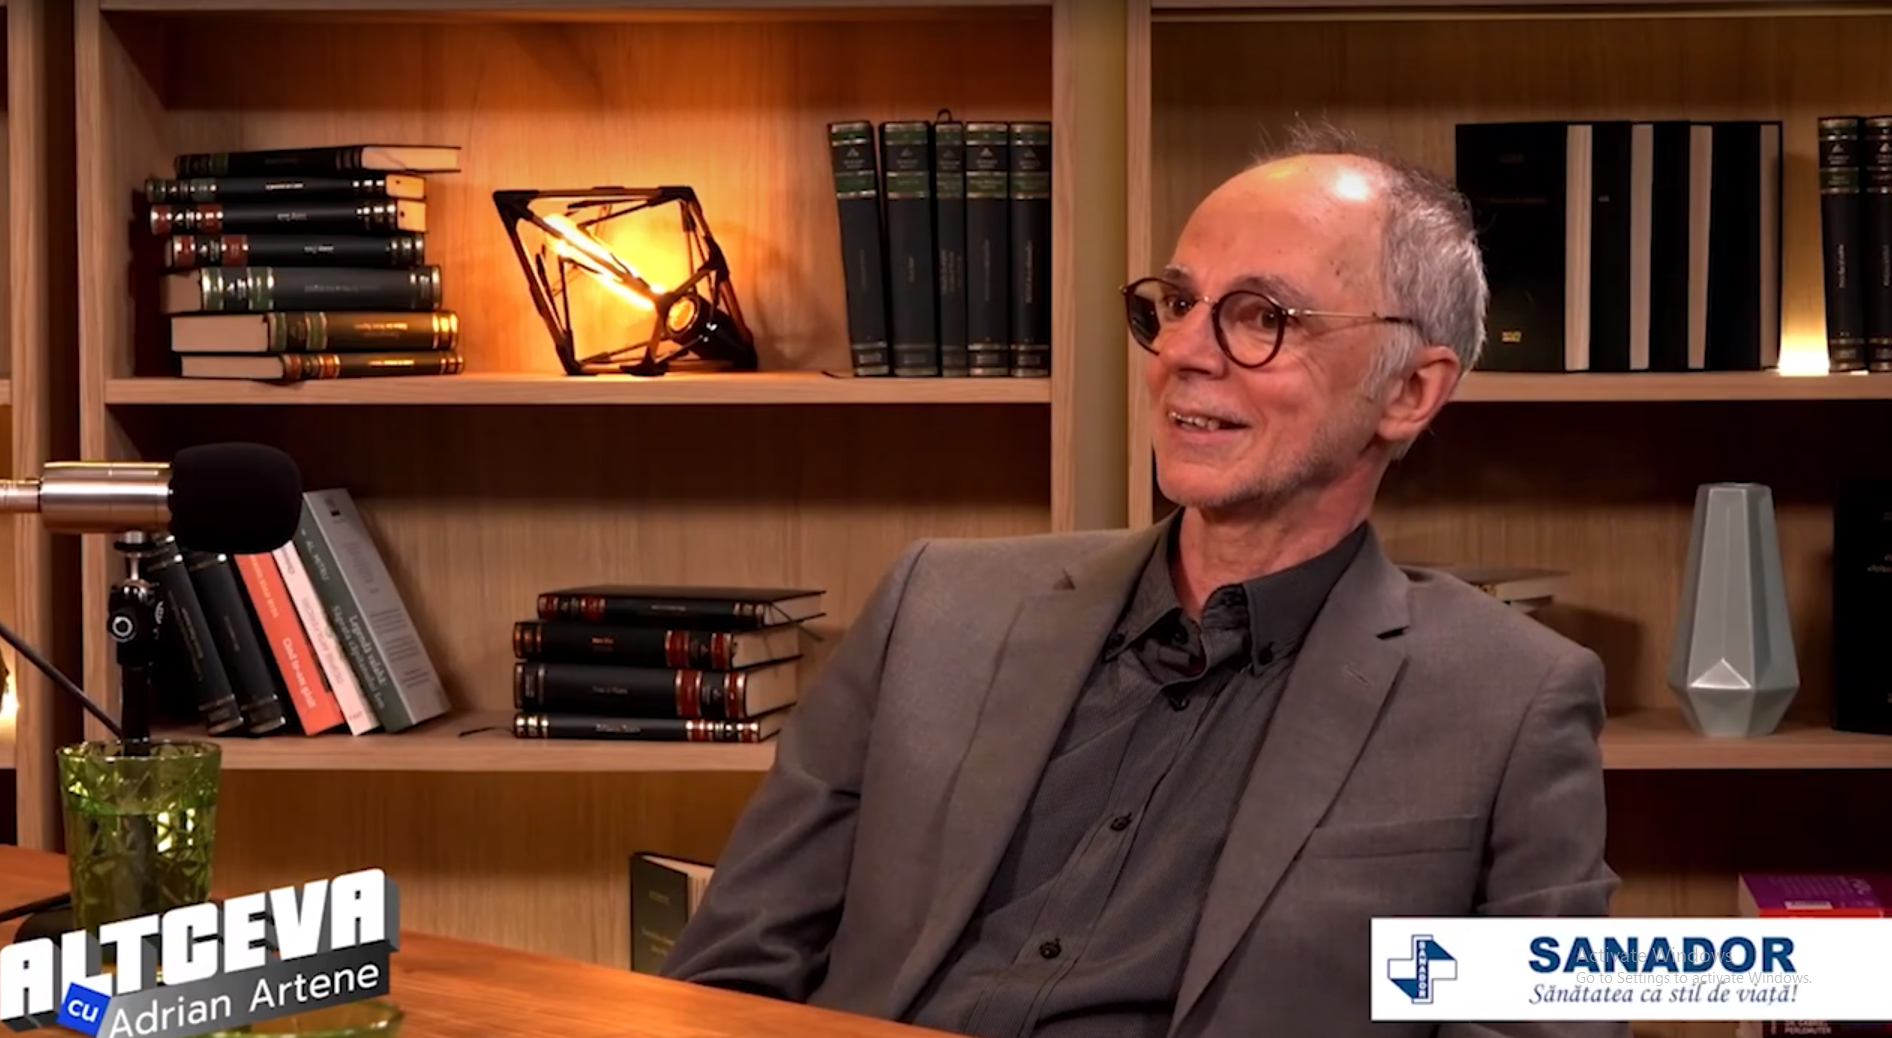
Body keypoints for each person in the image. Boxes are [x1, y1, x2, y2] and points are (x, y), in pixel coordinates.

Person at [660, 123, 1624, 1038]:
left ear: (1410, 391)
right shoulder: (934, 606)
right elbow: (728, 978)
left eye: (1263, 317)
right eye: (1177, 304)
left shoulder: (1511, 699)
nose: (1183, 355)